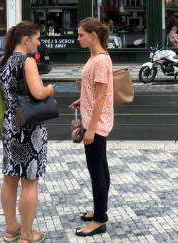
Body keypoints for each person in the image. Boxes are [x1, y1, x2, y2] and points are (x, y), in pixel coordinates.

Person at [0, 21, 54, 243]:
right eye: (37, 39)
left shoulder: (2, 62)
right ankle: (28, 235)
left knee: (9, 178)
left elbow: (5, 94)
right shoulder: (27, 61)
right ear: (26, 39)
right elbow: (38, 93)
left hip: (10, 125)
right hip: (28, 127)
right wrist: (49, 89)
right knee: (30, 181)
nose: (39, 43)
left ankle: (12, 230)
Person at [68, 18, 114, 237]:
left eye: (81, 35)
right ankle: (99, 211)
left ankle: (99, 221)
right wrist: (81, 99)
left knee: (97, 172)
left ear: (93, 35)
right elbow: (93, 91)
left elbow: (102, 97)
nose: (78, 39)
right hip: (94, 118)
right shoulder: (95, 57)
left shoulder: (101, 60)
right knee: (101, 169)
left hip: (97, 123)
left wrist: (91, 129)